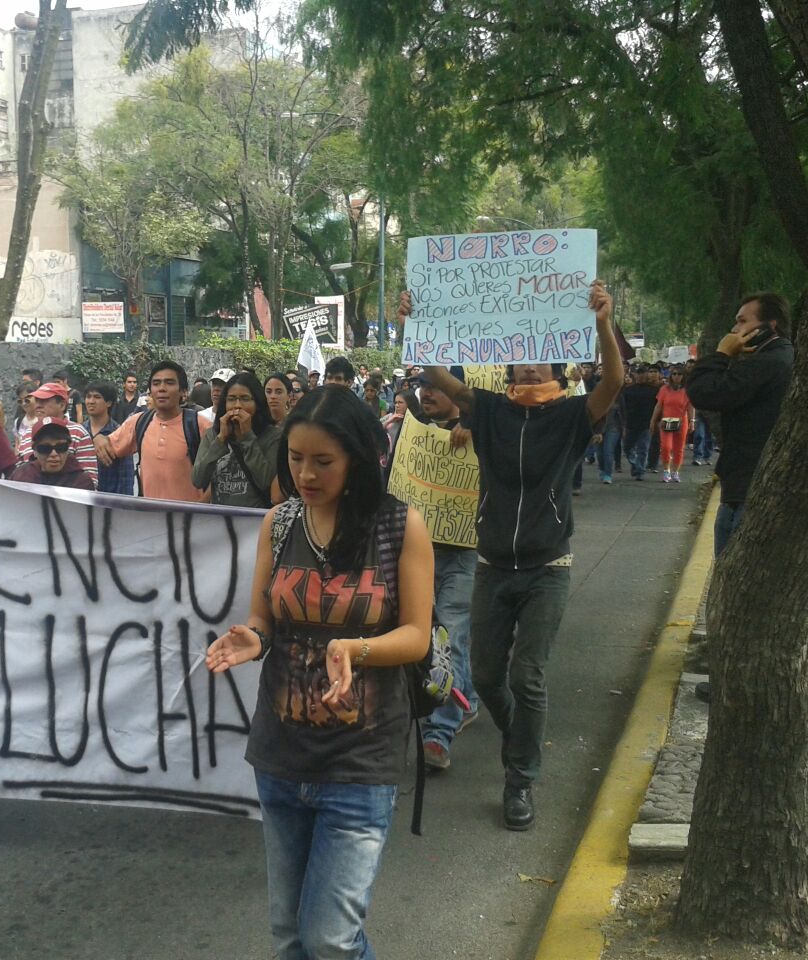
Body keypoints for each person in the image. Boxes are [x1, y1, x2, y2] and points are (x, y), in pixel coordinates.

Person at [205, 385, 434, 960]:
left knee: (330, 941)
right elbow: (265, 618)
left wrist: (355, 649)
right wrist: (250, 640)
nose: (305, 474)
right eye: (296, 459)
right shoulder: (279, 525)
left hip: (360, 762)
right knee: (289, 939)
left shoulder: (398, 527)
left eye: (323, 462)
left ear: (357, 456)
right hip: (280, 757)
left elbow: (416, 635)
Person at [410, 279, 623, 830]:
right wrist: (418, 321)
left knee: (527, 676)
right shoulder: (489, 413)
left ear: (557, 375)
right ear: (509, 372)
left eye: (541, 366)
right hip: (492, 568)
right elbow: (438, 379)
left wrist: (602, 323)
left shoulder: (573, 417)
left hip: (546, 569)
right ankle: (522, 738)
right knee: (482, 673)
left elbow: (615, 380)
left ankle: (520, 779)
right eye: (521, 365)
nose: (530, 371)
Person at [405, 371, 478, 771]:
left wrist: (471, 425)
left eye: (435, 385)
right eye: (423, 386)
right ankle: (465, 695)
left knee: (449, 636)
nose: (427, 392)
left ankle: (439, 732)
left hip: (463, 553)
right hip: (420, 552)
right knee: (431, 633)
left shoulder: (480, 431)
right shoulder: (415, 433)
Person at [687, 291, 794, 555]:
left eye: (742, 321)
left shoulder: (769, 362)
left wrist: (722, 354)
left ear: (770, 326)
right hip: (743, 484)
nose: (734, 330)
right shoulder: (774, 358)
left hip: (750, 489)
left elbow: (704, 392)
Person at [93, 361, 205, 503]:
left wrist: (201, 509)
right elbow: (108, 445)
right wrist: (99, 438)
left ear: (183, 391)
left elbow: (218, 477)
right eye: (156, 383)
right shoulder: (139, 422)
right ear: (150, 391)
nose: (162, 389)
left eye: (169, 383)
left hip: (190, 520)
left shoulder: (199, 425)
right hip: (150, 519)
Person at [192, 371, 281, 507]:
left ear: (257, 403)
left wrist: (247, 437)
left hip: (255, 522)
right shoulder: (212, 434)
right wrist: (220, 439)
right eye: (232, 399)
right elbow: (198, 479)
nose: (237, 405)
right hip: (220, 521)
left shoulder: (273, 436)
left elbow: (267, 483)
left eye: (245, 399)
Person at [17, 382, 99, 487]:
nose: (38, 405)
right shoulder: (28, 433)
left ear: (62, 405)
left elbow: (91, 480)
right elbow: (18, 476)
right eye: (37, 400)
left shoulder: (78, 433)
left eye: (61, 447)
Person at [10, 418, 96, 490]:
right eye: (45, 449)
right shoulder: (21, 476)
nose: (54, 454)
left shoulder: (81, 482)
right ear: (34, 451)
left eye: (61, 447)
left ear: (68, 448)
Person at [82, 381, 135, 495]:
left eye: (97, 397)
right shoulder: (79, 432)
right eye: (88, 397)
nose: (91, 401)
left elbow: (126, 478)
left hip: (108, 501)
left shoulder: (118, 433)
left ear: (109, 403)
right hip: (82, 499)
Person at [650, 367, 695, 483]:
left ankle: (675, 471)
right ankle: (666, 470)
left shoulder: (687, 390)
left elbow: (690, 407)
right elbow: (658, 406)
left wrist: (692, 422)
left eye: (679, 374)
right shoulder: (664, 389)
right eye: (674, 374)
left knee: (679, 448)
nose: (676, 376)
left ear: (683, 376)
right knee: (666, 447)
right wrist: (653, 420)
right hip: (667, 421)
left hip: (682, 421)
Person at [621, 364, 660, 480]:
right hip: (630, 424)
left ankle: (640, 471)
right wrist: (623, 423)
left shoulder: (654, 390)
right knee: (627, 448)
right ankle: (635, 464)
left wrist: (656, 421)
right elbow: (623, 409)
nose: (641, 376)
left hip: (647, 424)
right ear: (634, 375)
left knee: (643, 449)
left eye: (643, 373)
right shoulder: (628, 390)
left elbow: (658, 407)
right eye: (638, 373)